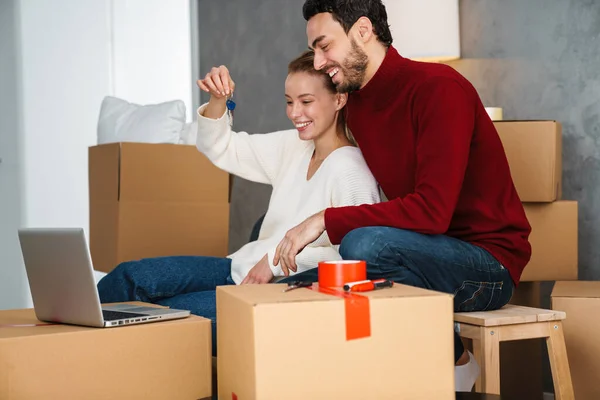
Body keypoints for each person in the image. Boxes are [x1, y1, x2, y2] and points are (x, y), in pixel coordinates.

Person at [273, 0, 532, 392]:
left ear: (363, 30)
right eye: (314, 50)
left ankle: (455, 363)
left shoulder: (439, 88)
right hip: (419, 253)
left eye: (325, 46)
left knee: (364, 244)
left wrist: (325, 220)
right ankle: (424, 370)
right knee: (281, 296)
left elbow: (432, 212)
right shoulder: (357, 106)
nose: (320, 60)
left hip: (487, 266)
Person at [96, 50, 381, 354]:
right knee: (129, 278)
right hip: (237, 267)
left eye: (306, 101)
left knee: (165, 315)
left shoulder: (351, 172)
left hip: (281, 293)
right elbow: (221, 148)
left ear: (339, 100)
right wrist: (219, 100)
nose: (295, 112)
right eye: (289, 101)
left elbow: (354, 265)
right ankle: (72, 351)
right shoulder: (293, 146)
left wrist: (273, 263)